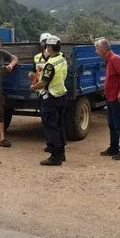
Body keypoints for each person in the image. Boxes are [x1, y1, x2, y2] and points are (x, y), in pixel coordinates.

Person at [31, 35, 68, 166]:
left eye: (47, 46)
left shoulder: (50, 64)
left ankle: (55, 156)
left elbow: (43, 82)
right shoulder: (62, 59)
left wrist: (34, 87)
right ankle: (62, 153)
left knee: (51, 126)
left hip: (51, 97)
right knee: (59, 125)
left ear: (50, 48)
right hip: (61, 95)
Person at [95, 38, 120, 160]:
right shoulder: (108, 60)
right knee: (112, 124)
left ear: (104, 49)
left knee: (119, 124)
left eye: (97, 49)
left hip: (117, 98)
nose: (96, 51)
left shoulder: (114, 59)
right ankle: (114, 147)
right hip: (111, 97)